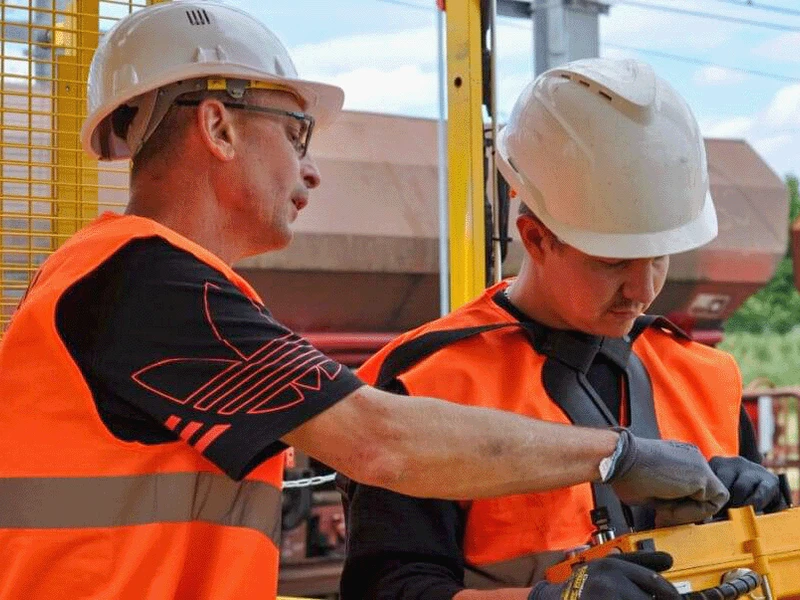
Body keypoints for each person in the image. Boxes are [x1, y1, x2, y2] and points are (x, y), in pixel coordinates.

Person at [0, 4, 728, 598]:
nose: (310, 172)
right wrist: (617, 455)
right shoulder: (140, 282)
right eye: (296, 133)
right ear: (217, 127)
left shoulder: (122, 282)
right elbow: (380, 440)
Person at [340, 58, 785, 600]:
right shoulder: (425, 386)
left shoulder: (706, 376)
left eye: (658, 256)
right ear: (535, 238)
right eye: (613, 261)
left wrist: (762, 514)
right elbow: (387, 590)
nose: (642, 290)